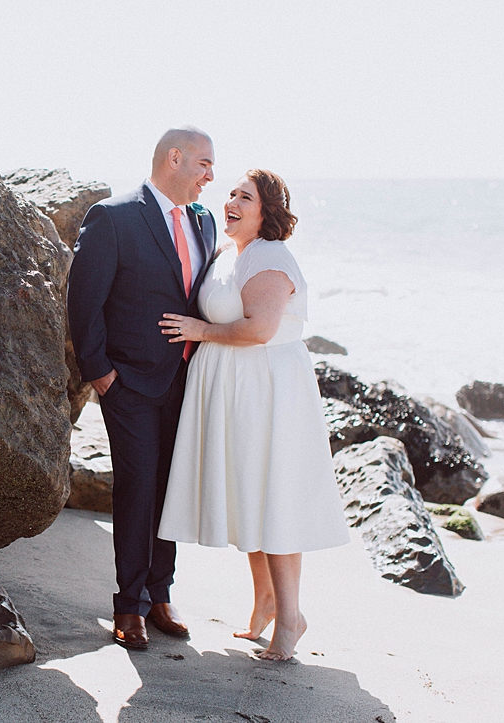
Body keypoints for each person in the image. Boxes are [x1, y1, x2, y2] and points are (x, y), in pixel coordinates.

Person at [157, 169, 350, 661]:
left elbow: (261, 329)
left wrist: (200, 331)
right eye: (232, 194)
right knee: (249, 495)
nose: (232, 202)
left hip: (267, 389)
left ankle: (291, 619)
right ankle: (264, 601)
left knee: (273, 498)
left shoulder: (269, 257)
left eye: (246, 196)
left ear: (267, 212)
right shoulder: (229, 255)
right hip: (233, 387)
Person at [67, 127, 217, 649]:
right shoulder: (113, 216)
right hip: (128, 383)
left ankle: (159, 594)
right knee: (138, 487)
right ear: (174, 158)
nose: (210, 176)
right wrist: (101, 374)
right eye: (203, 163)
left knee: (172, 487)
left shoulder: (204, 222)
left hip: (187, 381)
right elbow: (84, 301)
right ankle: (127, 605)